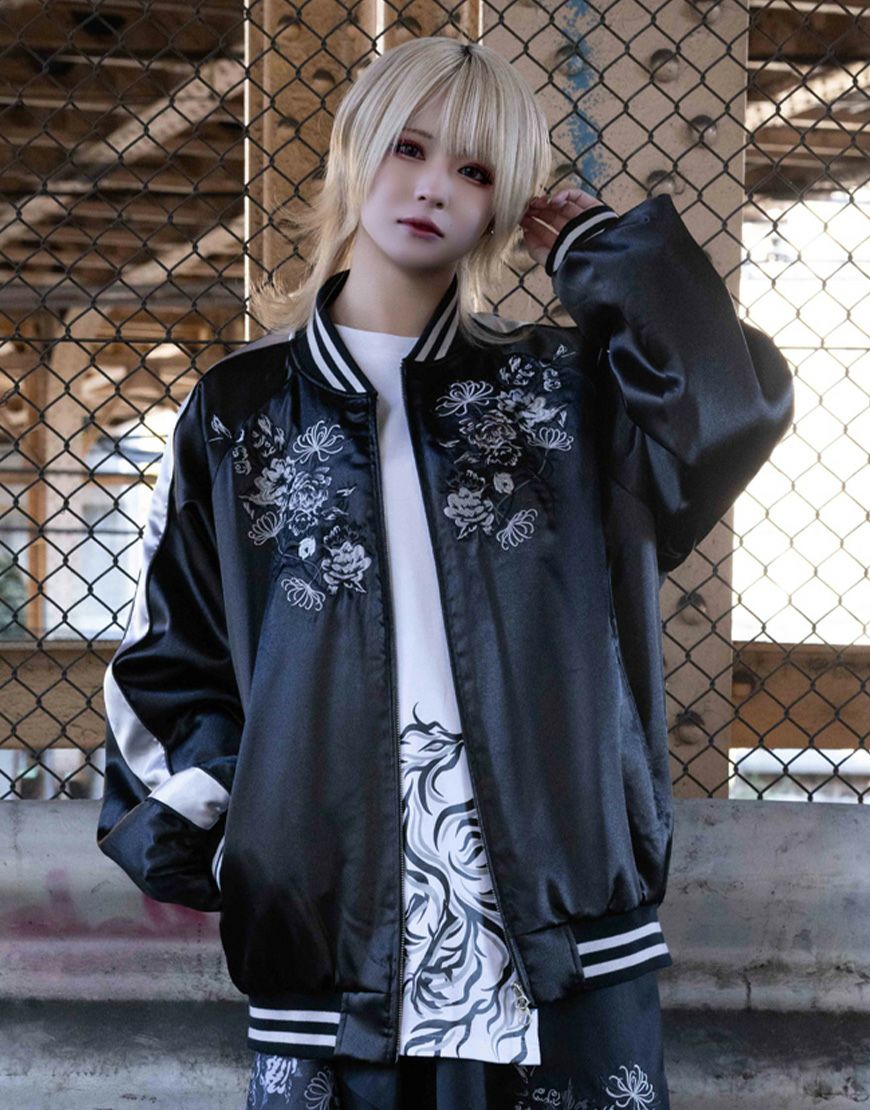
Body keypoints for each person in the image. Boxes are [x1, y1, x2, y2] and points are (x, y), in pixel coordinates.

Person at [96, 34, 794, 1110]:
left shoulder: (563, 395)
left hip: (562, 927)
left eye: (475, 169)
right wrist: (240, 828)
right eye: (410, 148)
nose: (433, 188)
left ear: (506, 202)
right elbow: (171, 650)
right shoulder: (238, 410)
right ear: (355, 148)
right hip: (333, 937)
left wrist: (607, 258)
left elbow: (730, 407)